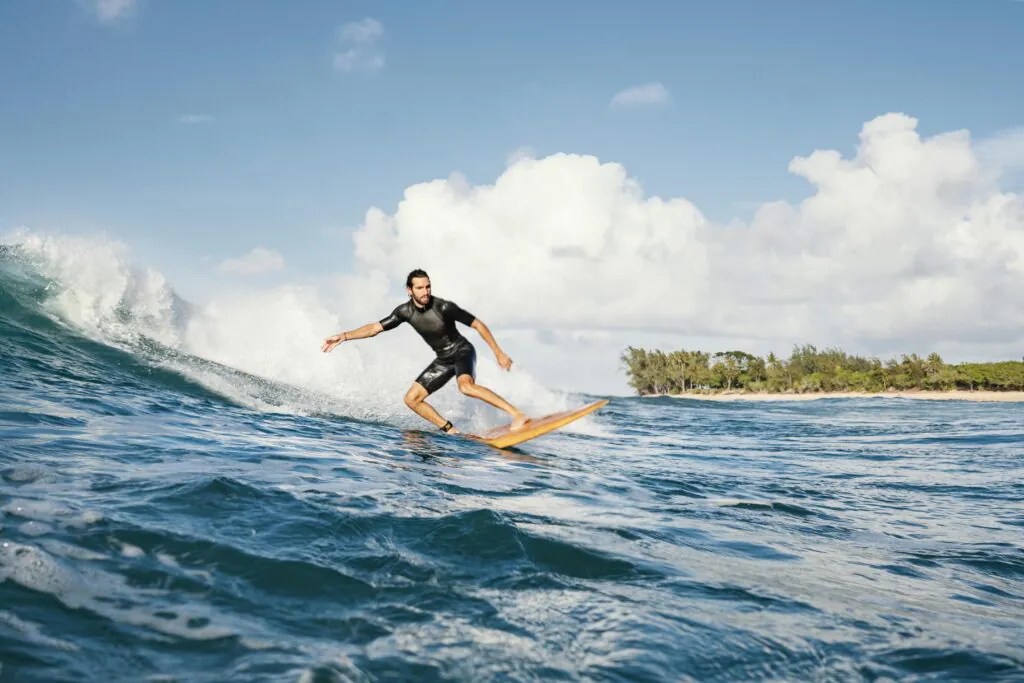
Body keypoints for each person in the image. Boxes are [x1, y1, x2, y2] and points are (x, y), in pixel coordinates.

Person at [321, 269, 530, 435]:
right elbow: (375, 328)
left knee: (465, 387)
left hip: (462, 351)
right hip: (443, 359)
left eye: (428, 286)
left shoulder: (444, 307)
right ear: (409, 290)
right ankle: (451, 430)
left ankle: (517, 414)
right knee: (411, 399)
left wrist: (498, 353)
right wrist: (345, 336)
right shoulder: (404, 311)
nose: (425, 291)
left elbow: (477, 324)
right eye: (420, 288)